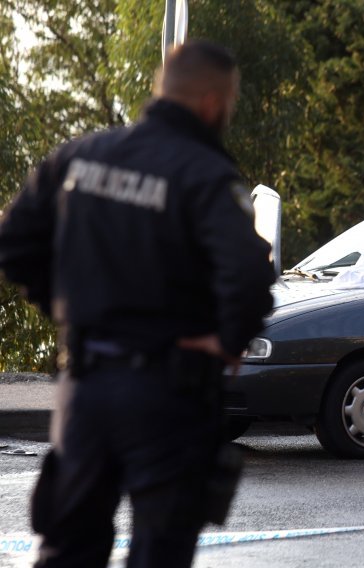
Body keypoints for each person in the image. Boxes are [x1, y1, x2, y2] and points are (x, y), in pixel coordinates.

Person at [0, 40, 275, 567]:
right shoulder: (205, 175)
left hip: (85, 385)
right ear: (212, 103)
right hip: (167, 394)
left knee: (68, 548)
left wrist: (69, 311)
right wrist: (227, 339)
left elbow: (14, 243)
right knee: (160, 551)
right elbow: (246, 271)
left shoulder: (82, 155)